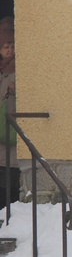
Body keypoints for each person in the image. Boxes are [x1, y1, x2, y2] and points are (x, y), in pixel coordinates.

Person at [0, 26, 19, 210]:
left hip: (11, 130)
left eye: (12, 45)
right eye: (5, 46)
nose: (9, 49)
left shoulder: (18, 70)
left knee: (11, 178)